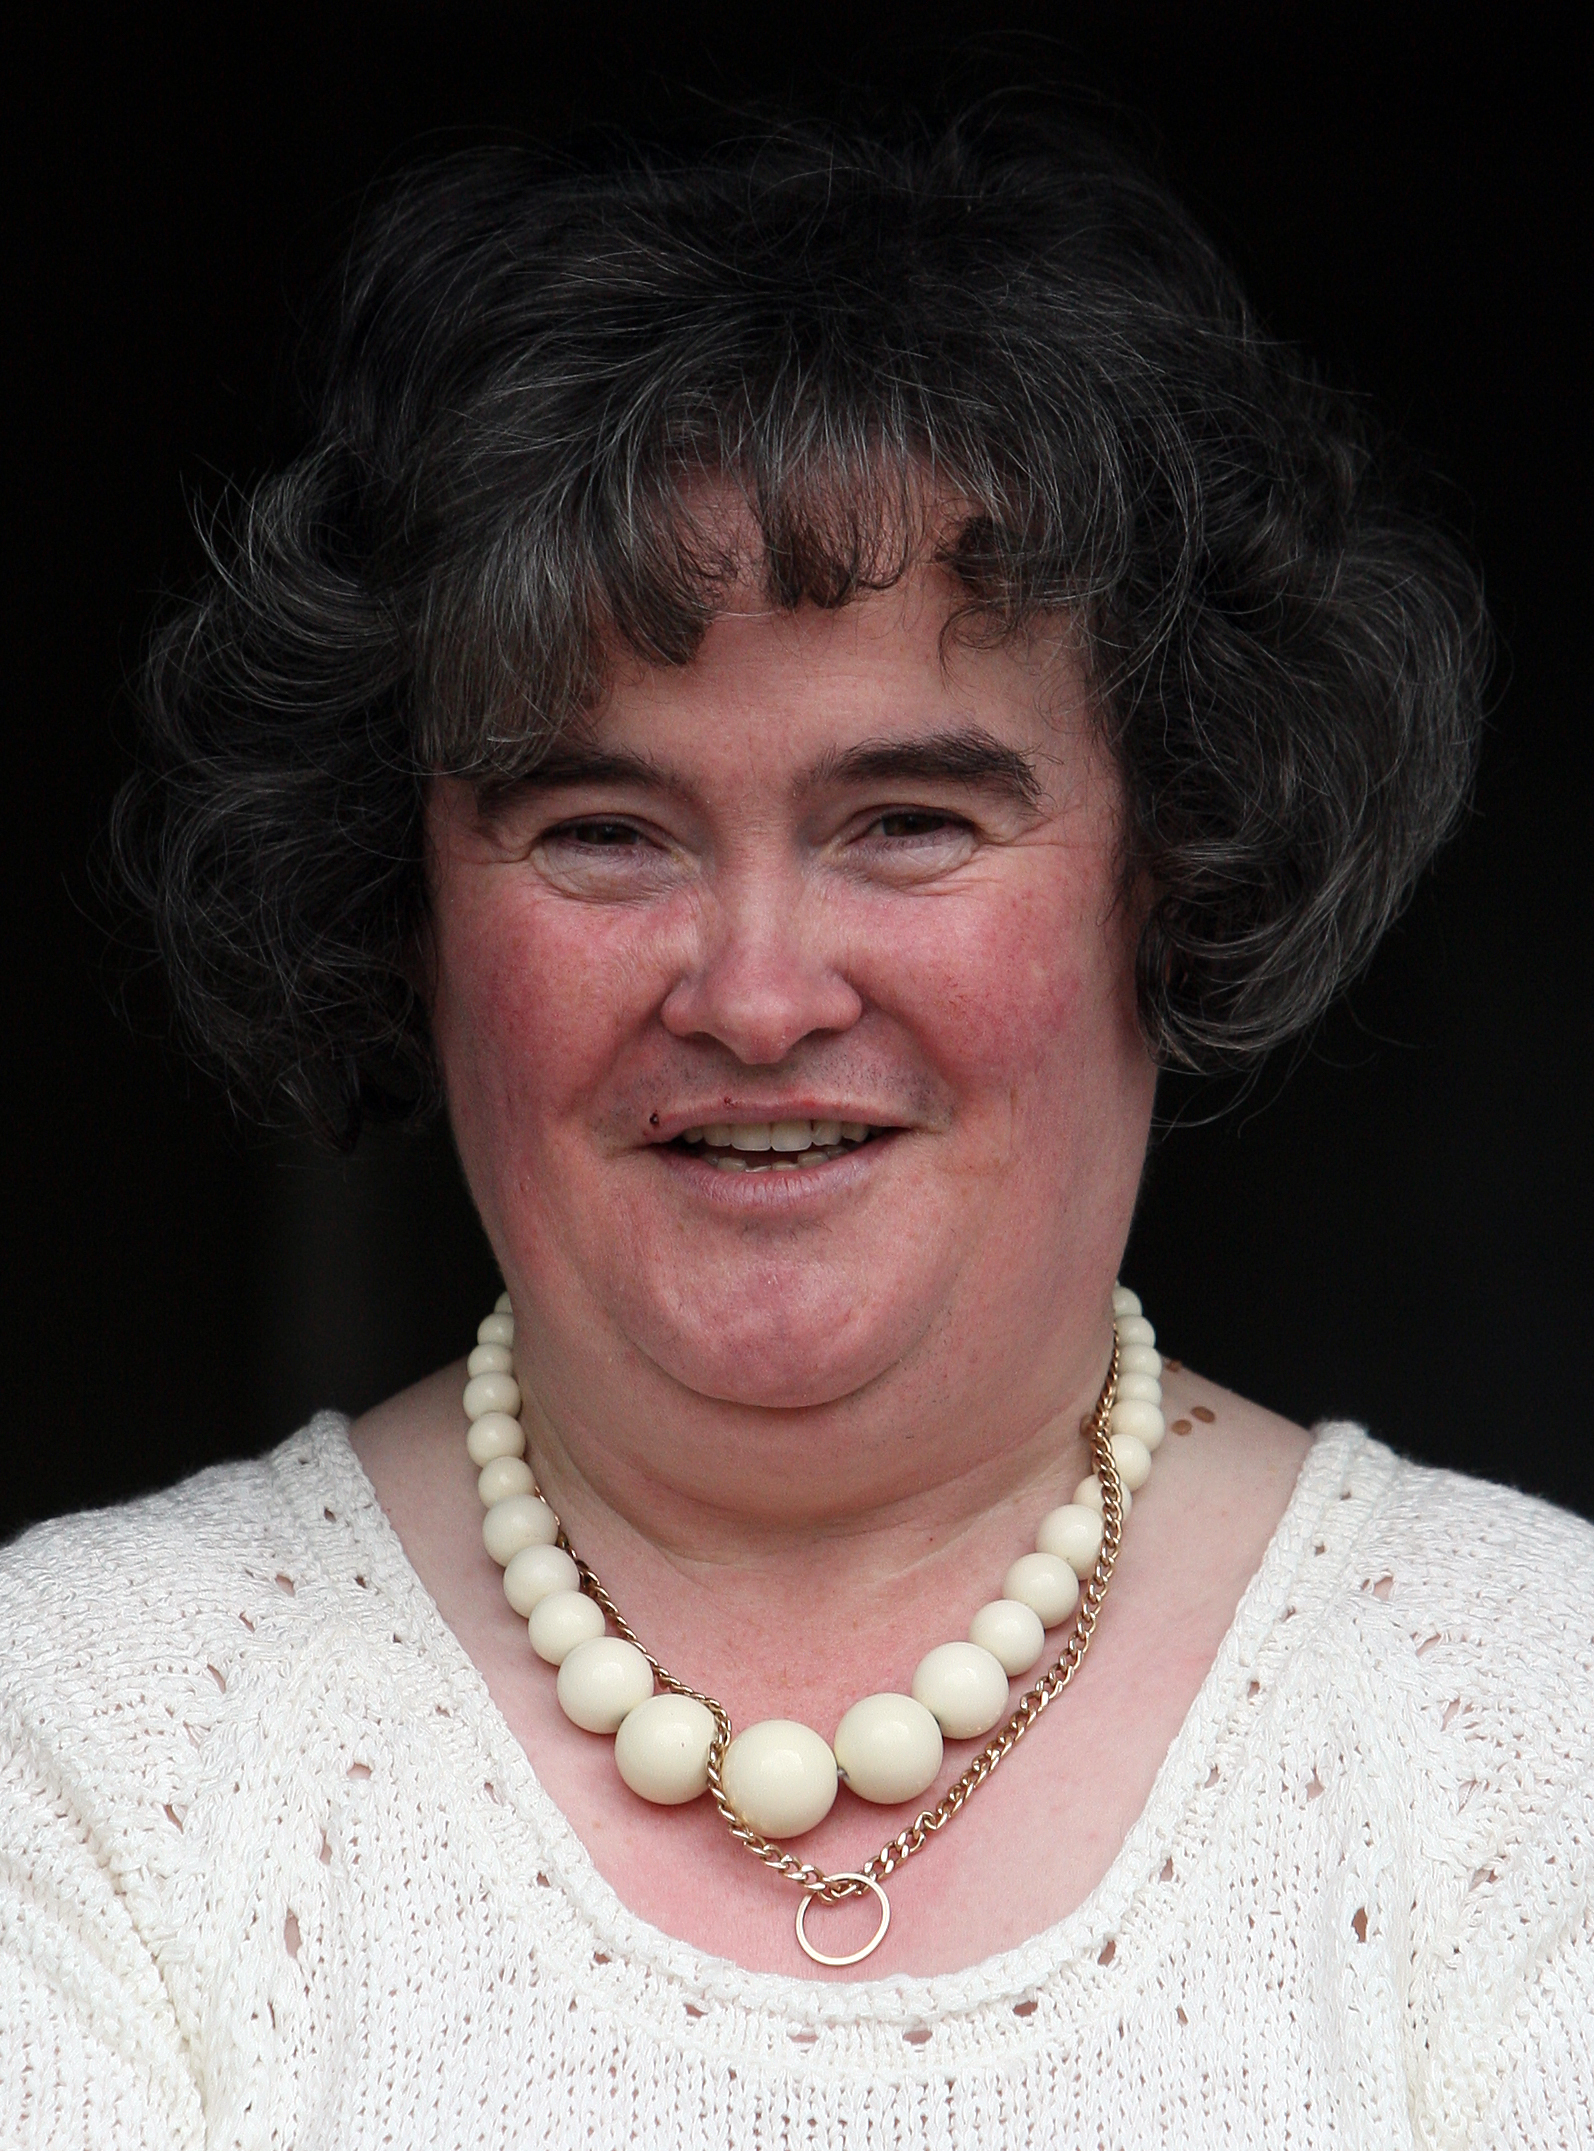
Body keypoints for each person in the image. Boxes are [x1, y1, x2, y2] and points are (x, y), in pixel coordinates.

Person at [3, 118, 1589, 2148]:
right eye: (600, 831)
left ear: (1176, 867)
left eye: (907, 821)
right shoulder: (78, 1743)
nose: (753, 995)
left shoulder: (1537, 1735)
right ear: (408, 906)